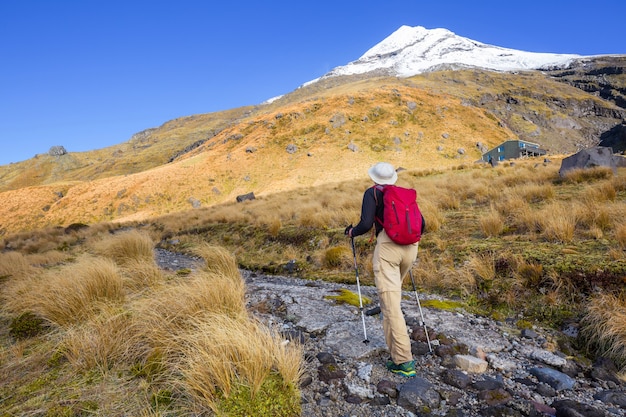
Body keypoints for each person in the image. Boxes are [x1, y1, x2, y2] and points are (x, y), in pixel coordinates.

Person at [345, 162, 420, 378]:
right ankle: (396, 344)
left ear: (374, 177)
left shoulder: (373, 193)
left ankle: (404, 362)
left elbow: (366, 223)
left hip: (388, 248)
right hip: (411, 248)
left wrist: (352, 232)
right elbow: (421, 224)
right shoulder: (404, 194)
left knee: (391, 306)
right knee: (391, 302)